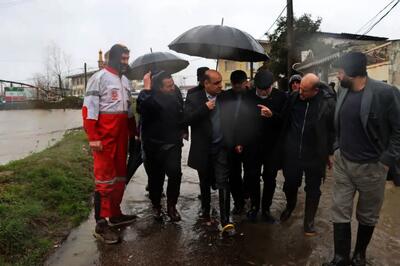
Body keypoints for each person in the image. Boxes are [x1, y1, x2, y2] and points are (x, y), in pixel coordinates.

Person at [323, 52, 400, 266]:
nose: (337, 76)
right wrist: (336, 147)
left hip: (372, 167)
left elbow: (398, 130)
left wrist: (386, 159)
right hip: (343, 163)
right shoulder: (343, 90)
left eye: (340, 72)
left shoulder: (385, 93)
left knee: (367, 215)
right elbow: (339, 123)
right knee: (339, 209)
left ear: (353, 73)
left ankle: (359, 256)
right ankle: (340, 258)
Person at [82, 44, 137, 244]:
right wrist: (93, 136)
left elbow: (128, 110)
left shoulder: (125, 81)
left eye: (127, 58)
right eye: (123, 58)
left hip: (121, 135)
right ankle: (101, 224)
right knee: (104, 180)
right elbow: (89, 109)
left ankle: (115, 214)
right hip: (104, 136)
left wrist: (134, 132)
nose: (126, 62)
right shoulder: (99, 78)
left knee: (119, 176)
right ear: (112, 58)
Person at [279, 73, 335, 236]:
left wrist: (329, 153)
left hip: (315, 154)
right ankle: (290, 206)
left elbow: (332, 130)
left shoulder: (327, 103)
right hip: (293, 151)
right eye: (299, 88)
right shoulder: (294, 98)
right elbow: (284, 120)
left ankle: (309, 221)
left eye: (304, 90)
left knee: (313, 189)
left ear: (315, 90)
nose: (299, 92)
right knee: (290, 183)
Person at [184, 70, 235, 235]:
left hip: (221, 146)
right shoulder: (194, 98)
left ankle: (225, 220)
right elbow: (186, 119)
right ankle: (206, 212)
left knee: (223, 181)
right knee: (205, 182)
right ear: (206, 84)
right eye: (216, 83)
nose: (220, 85)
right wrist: (204, 108)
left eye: (221, 82)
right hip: (203, 149)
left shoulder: (225, 96)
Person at [136, 71, 185, 222]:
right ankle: (156, 205)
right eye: (168, 86)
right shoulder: (148, 97)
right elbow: (141, 108)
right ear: (159, 88)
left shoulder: (175, 92)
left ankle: (171, 206)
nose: (172, 88)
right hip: (153, 145)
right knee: (155, 179)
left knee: (175, 175)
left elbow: (181, 110)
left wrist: (183, 129)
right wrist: (146, 89)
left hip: (172, 143)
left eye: (173, 84)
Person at [245, 70, 287, 223]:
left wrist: (272, 116)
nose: (263, 92)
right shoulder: (248, 96)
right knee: (252, 177)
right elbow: (239, 120)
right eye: (260, 89)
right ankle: (254, 207)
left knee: (270, 178)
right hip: (252, 145)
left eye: (266, 89)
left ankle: (266, 209)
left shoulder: (281, 97)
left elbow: (286, 121)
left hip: (273, 147)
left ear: (272, 86)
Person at [219, 70, 251, 215]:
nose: (238, 88)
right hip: (230, 142)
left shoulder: (252, 96)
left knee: (251, 172)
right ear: (231, 84)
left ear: (246, 82)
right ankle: (238, 203)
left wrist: (242, 141)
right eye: (235, 86)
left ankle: (247, 193)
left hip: (248, 142)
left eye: (241, 85)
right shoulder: (224, 97)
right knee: (234, 175)